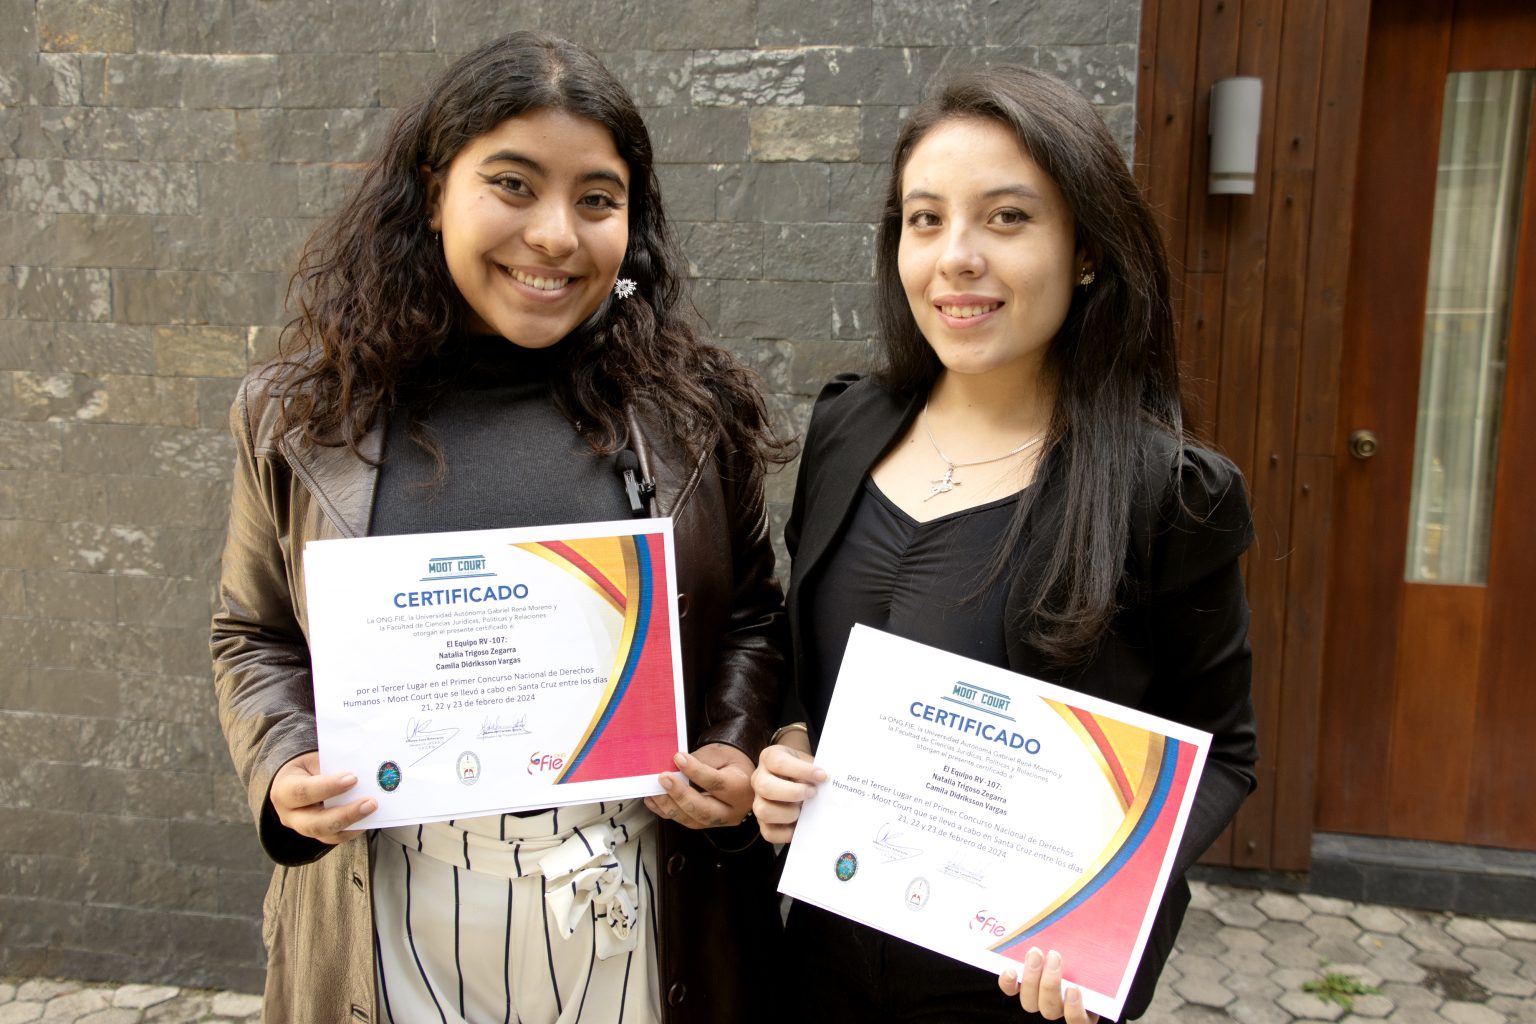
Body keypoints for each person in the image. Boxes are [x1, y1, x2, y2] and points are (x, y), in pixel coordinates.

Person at [211, 32, 789, 1024]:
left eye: (597, 199)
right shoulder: (302, 412)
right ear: (434, 191)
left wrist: (732, 747)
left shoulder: (693, 408)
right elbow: (252, 632)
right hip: (395, 902)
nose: (556, 234)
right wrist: (283, 763)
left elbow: (750, 619)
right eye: (513, 185)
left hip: (632, 899)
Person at [751, 66, 1258, 1024]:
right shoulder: (848, 426)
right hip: (815, 967)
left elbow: (1223, 753)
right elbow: (805, 663)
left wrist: (1101, 909)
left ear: (1087, 250)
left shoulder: (1165, 491)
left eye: (1008, 218)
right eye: (926, 219)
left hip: (1014, 998)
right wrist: (785, 744)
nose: (956, 257)